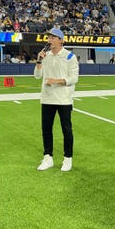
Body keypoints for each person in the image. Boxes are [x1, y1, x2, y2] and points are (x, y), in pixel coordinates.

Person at [34, 28, 80, 172]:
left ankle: (68, 159)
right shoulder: (45, 55)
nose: (50, 40)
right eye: (49, 37)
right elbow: (37, 75)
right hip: (47, 98)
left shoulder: (69, 56)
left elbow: (74, 78)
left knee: (66, 130)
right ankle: (48, 157)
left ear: (61, 40)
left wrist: (56, 81)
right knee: (46, 129)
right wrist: (38, 61)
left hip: (63, 99)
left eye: (53, 37)